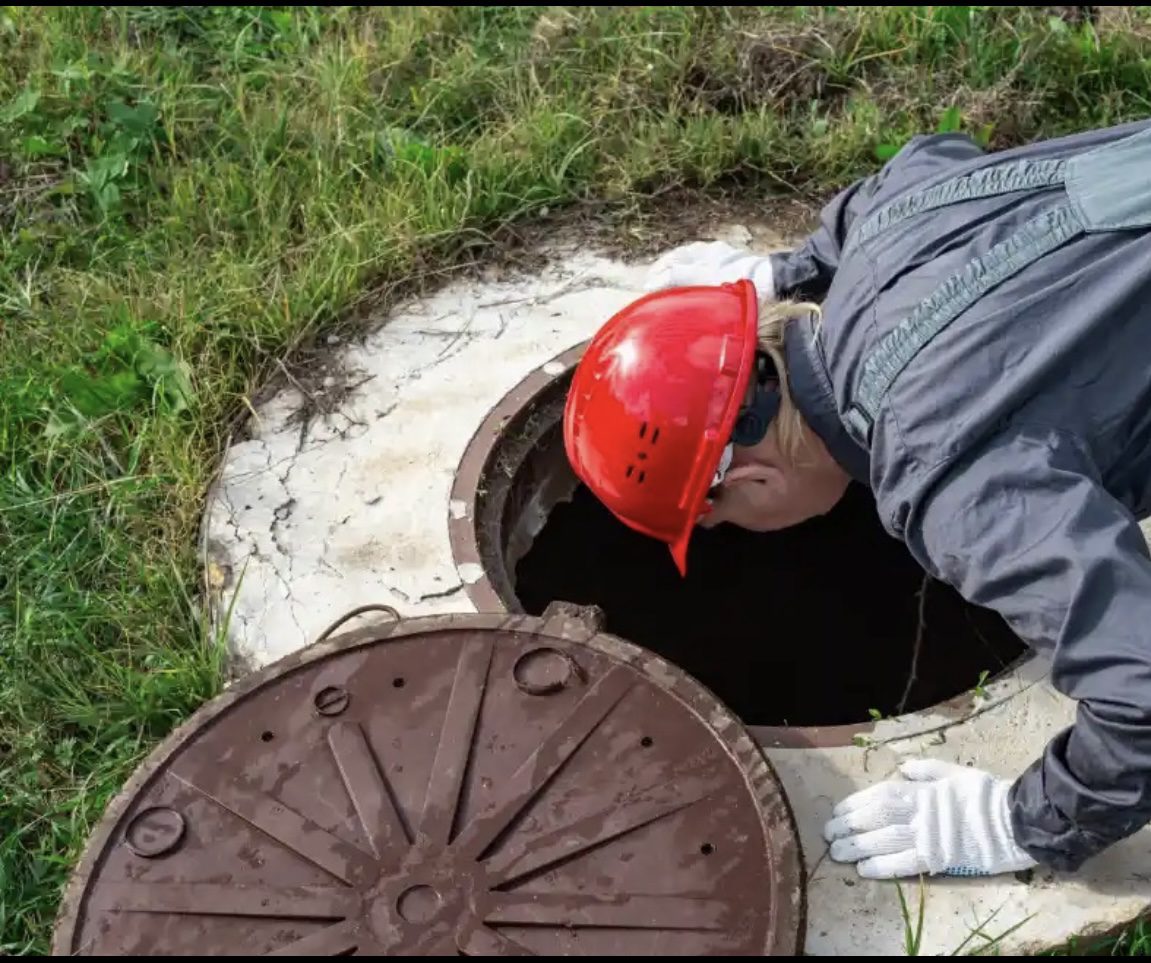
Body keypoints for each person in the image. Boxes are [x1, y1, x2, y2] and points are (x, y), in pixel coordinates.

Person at [562, 117, 1151, 880]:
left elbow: (1141, 691)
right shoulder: (889, 223)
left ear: (751, 482)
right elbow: (921, 159)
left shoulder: (948, 476)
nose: (741, 532)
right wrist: (788, 269)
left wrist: (1020, 821)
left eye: (723, 522)